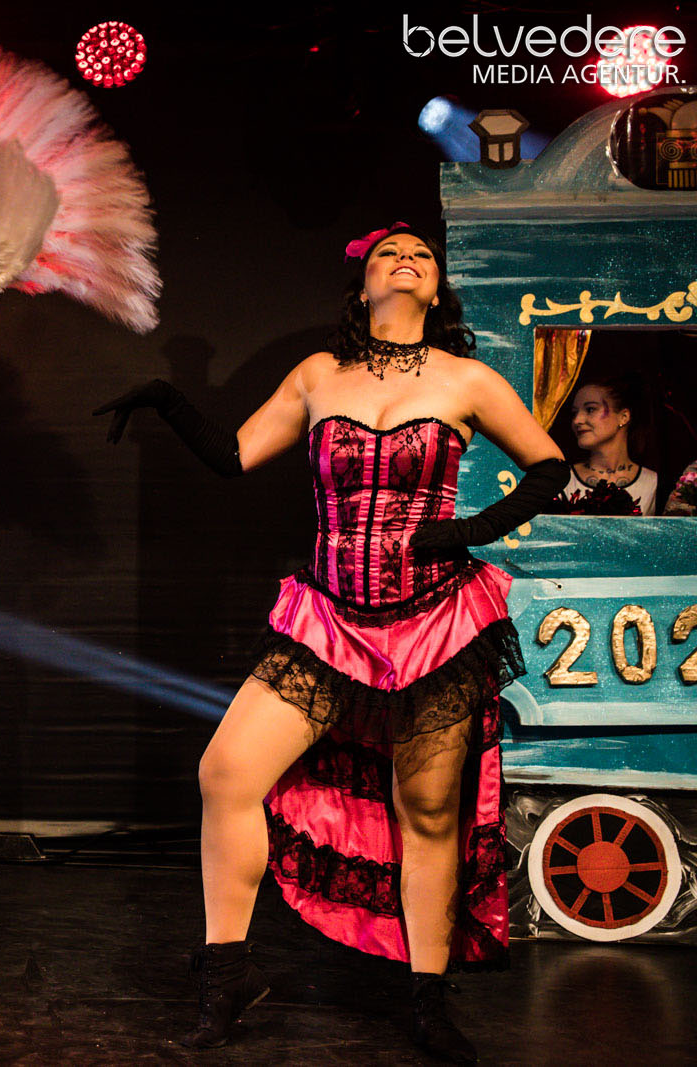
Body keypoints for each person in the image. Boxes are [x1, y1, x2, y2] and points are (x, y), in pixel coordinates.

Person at [96, 223, 566, 1063]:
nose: (407, 259)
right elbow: (236, 454)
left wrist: (468, 529)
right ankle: (225, 977)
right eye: (390, 252)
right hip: (328, 615)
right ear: (362, 285)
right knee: (225, 773)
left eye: (421, 255)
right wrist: (170, 398)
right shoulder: (319, 375)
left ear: (436, 286)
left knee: (427, 811)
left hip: (433, 619)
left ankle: (428, 1000)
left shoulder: (466, 378)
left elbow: (548, 465)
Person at [551, 376, 659, 515]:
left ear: (623, 417)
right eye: (574, 413)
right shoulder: (562, 480)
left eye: (590, 409)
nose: (577, 420)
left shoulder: (653, 483)